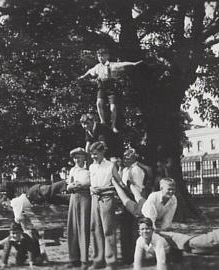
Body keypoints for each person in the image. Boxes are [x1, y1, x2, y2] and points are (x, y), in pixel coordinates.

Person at [78, 48, 142, 133]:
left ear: (107, 56)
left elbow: (122, 64)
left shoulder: (111, 65)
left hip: (111, 87)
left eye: (102, 56)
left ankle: (113, 126)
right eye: (99, 56)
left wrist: (133, 64)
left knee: (113, 108)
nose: (100, 58)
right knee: (98, 103)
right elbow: (90, 71)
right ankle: (102, 121)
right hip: (101, 86)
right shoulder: (97, 66)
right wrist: (83, 76)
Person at [88, 141, 124, 270]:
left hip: (107, 198)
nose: (93, 156)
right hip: (94, 198)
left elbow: (119, 182)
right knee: (95, 228)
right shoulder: (92, 167)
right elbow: (91, 183)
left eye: (96, 154)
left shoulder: (110, 165)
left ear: (103, 152)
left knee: (108, 229)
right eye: (91, 154)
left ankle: (111, 262)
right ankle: (98, 260)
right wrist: (92, 188)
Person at [67, 147, 91, 270]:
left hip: (85, 198)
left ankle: (84, 260)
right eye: (75, 157)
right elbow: (68, 185)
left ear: (84, 157)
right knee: (73, 227)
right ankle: (74, 258)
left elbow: (91, 183)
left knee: (83, 227)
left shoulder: (89, 169)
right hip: (74, 197)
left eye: (79, 157)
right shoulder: (72, 170)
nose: (77, 159)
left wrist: (81, 185)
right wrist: (72, 186)